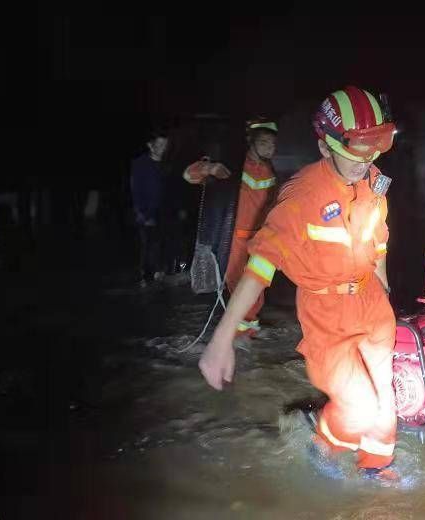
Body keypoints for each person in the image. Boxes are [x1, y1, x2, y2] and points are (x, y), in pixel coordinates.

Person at [198, 86, 399, 479]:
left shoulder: (374, 182)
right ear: (325, 147)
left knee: (386, 401)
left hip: (372, 304)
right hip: (326, 314)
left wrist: (384, 285)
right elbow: (259, 268)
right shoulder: (301, 196)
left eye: (374, 145)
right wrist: (221, 341)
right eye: (356, 147)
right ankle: (323, 439)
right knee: (359, 407)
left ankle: (377, 471)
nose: (367, 159)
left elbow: (378, 239)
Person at [183, 118, 278, 337]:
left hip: (260, 239)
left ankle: (245, 335)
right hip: (233, 239)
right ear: (251, 142)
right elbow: (189, 175)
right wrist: (210, 168)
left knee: (258, 286)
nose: (269, 148)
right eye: (264, 142)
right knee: (238, 285)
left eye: (272, 144)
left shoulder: (271, 172)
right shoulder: (232, 167)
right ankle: (242, 338)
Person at [130, 130, 169, 287]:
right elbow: (136, 188)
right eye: (160, 145)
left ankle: (161, 271)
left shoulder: (168, 164)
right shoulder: (140, 164)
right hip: (147, 211)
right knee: (148, 243)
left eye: (165, 145)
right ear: (150, 145)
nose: (163, 148)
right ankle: (145, 275)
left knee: (164, 241)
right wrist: (141, 212)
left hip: (165, 211)